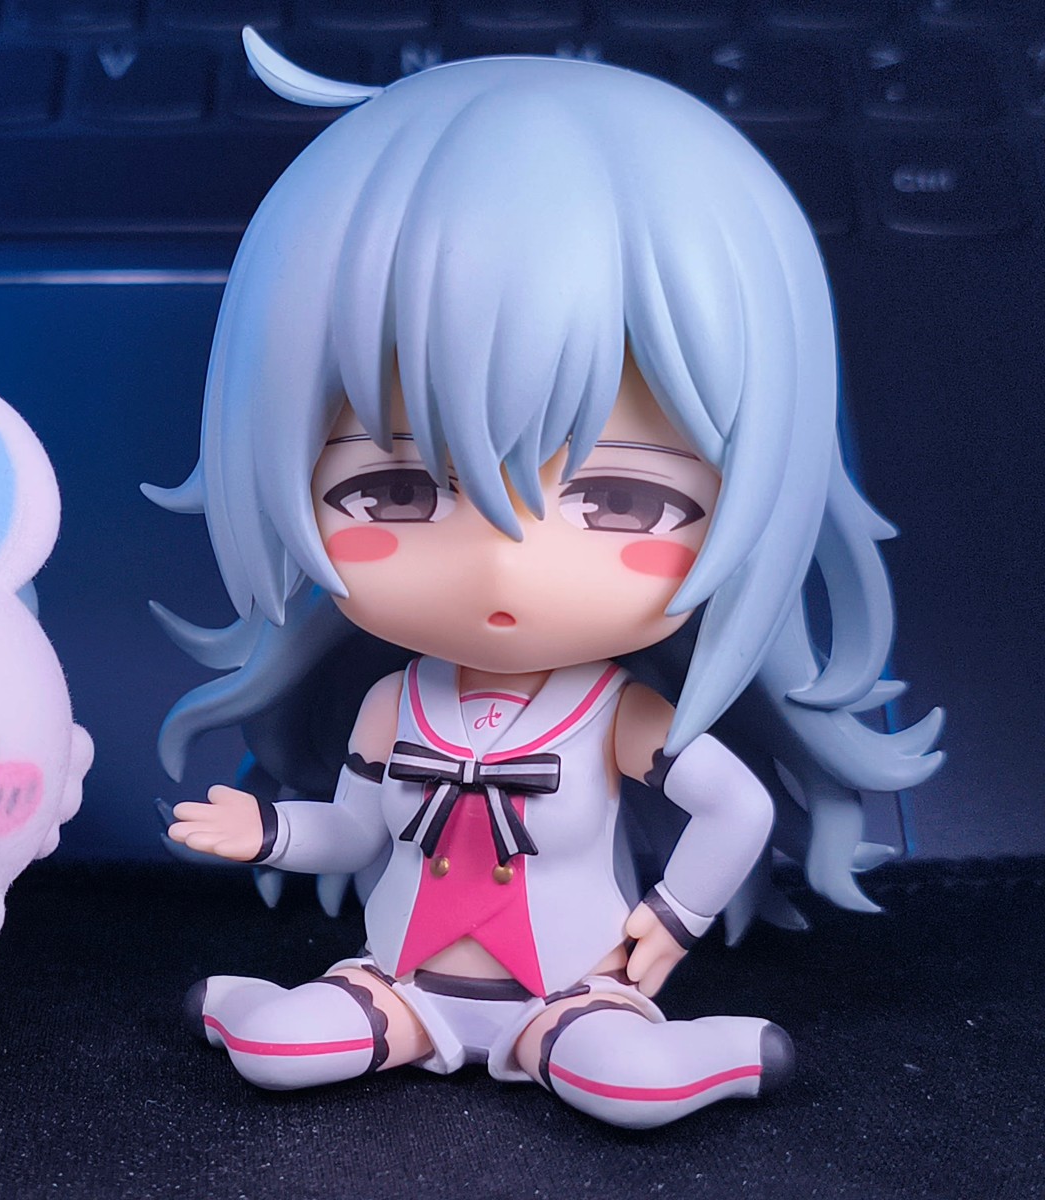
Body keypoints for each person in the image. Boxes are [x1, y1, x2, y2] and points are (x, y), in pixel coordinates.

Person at [149, 32, 942, 1129]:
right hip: (402, 982)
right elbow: (358, 830)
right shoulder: (392, 706)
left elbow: (735, 807)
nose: (502, 559)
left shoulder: (616, 717)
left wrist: (675, 915)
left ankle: (712, 1051)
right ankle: (249, 1007)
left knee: (623, 1082)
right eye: (394, 491)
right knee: (283, 1052)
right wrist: (270, 833)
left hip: (566, 989)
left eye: (622, 502)